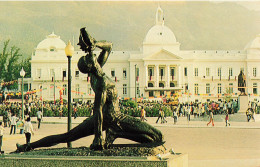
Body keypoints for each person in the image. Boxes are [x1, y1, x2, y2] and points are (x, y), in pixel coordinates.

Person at [16, 28, 163, 152]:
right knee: (158, 136)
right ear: (91, 65)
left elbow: (109, 46)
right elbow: (98, 109)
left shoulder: (97, 69)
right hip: (113, 118)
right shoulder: (101, 81)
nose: (90, 54)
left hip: (110, 118)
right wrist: (98, 136)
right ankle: (28, 146)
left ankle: (117, 133)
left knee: (152, 139)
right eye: (88, 58)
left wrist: (94, 42)